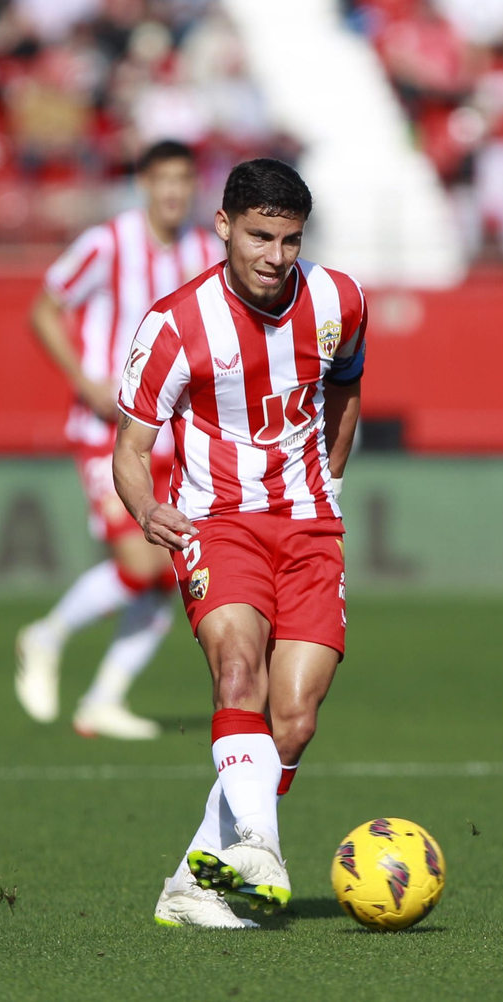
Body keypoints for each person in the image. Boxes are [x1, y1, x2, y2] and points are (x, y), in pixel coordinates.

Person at [113, 158, 367, 930]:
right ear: (223, 226)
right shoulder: (173, 324)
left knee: (294, 720)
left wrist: (327, 484)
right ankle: (258, 845)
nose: (275, 257)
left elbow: (347, 392)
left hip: (309, 525)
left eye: (290, 240)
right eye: (260, 236)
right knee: (236, 671)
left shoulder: (341, 300)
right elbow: (128, 448)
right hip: (215, 521)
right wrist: (147, 508)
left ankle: (195, 878)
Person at [14, 140, 221, 740]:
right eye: (163, 179)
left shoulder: (208, 250)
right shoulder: (108, 243)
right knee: (140, 559)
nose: (174, 191)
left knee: (175, 568)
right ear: (143, 183)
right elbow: (44, 310)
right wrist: (85, 380)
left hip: (174, 435)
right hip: (107, 430)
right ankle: (47, 635)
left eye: (184, 179)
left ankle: (103, 699)